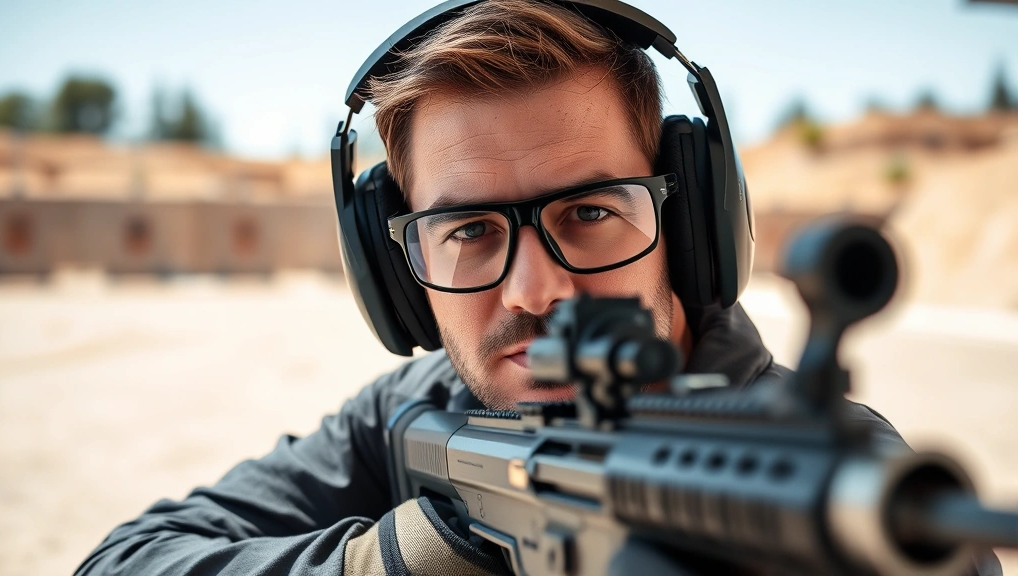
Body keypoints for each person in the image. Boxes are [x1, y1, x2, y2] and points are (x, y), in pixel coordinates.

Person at [76, 1, 1001, 575]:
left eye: (591, 212)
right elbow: (123, 563)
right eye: (470, 231)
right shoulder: (415, 410)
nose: (537, 288)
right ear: (397, 272)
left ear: (689, 227)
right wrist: (402, 559)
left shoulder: (838, 487)